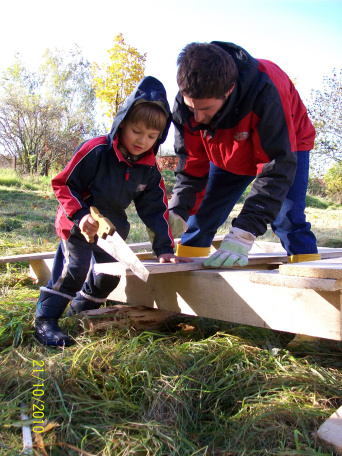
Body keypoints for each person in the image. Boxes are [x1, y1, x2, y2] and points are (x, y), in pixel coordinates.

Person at [34, 76, 191, 347]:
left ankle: (80, 310)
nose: (142, 141)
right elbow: (62, 183)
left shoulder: (150, 168)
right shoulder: (96, 150)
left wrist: (165, 249)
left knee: (109, 274)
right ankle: (46, 321)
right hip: (78, 223)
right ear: (122, 124)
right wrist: (81, 215)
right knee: (75, 268)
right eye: (136, 131)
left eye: (152, 136)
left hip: (112, 229)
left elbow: (155, 209)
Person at [168, 41, 320, 267]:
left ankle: (313, 277)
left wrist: (244, 232)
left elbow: (276, 166)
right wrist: (178, 207)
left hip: (286, 146)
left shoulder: (266, 91)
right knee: (202, 216)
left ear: (228, 90)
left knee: (288, 219)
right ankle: (185, 271)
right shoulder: (188, 100)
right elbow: (191, 160)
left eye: (206, 109)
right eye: (192, 108)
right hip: (229, 149)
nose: (197, 118)